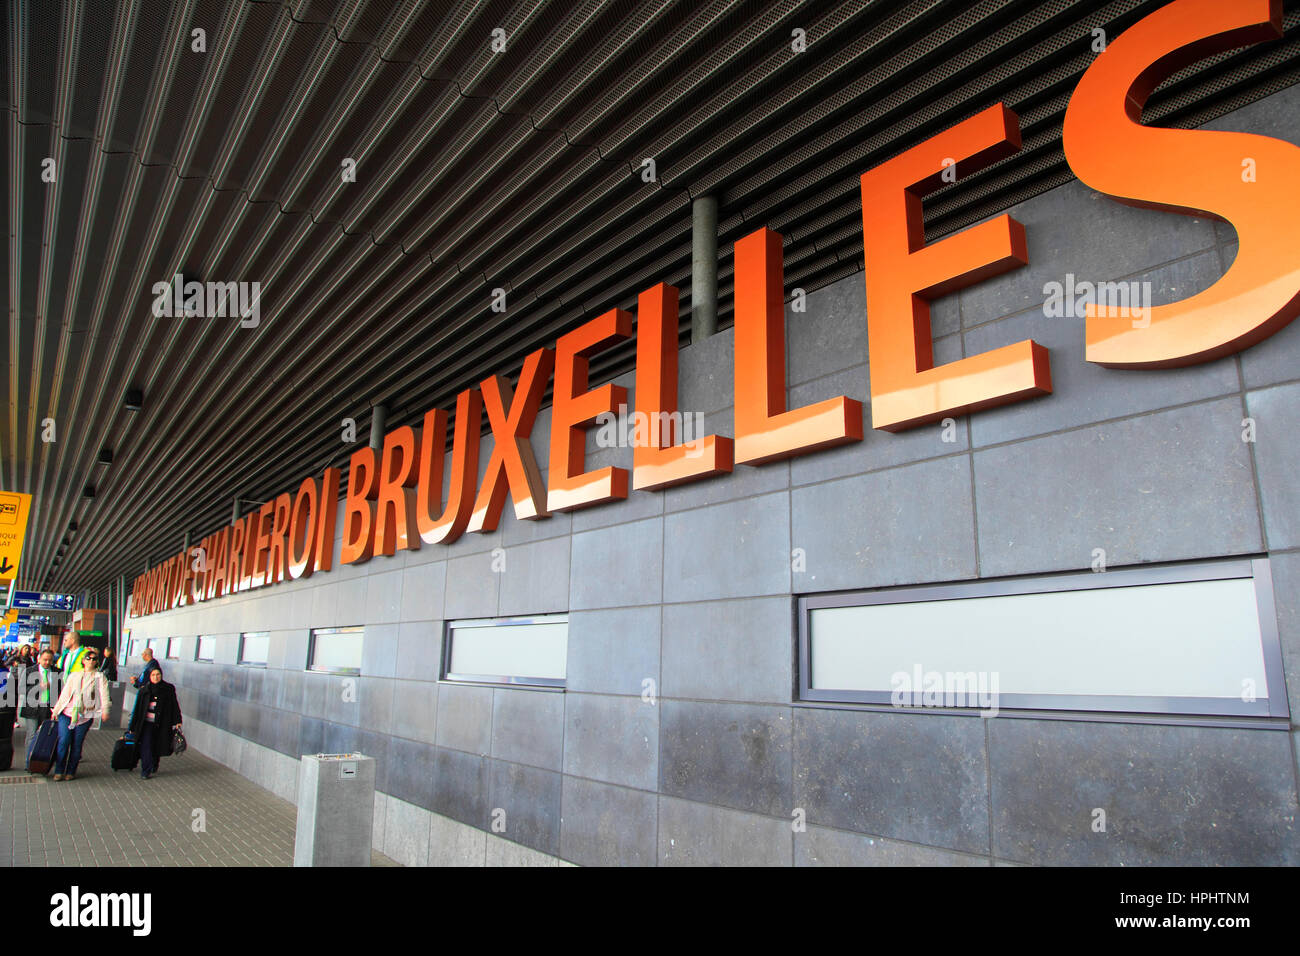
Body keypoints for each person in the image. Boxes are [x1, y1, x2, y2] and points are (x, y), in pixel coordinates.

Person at [50, 648, 110, 781]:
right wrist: (56, 710)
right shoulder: (74, 675)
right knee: (64, 741)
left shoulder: (100, 677)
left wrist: (105, 711)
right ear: (83, 661)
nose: (91, 661)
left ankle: (71, 771)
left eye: (94, 659)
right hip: (67, 713)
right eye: (88, 658)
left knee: (76, 744)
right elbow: (64, 694)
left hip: (85, 715)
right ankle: (59, 770)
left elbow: (104, 695)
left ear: (97, 662)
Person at [128, 666, 182, 780]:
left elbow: (174, 705)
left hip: (162, 723)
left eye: (158, 675)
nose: (156, 677)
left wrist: (177, 720)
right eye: (153, 675)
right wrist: (132, 726)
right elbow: (137, 709)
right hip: (146, 723)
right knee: (146, 745)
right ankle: (145, 770)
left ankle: (154, 764)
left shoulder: (168, 689)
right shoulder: (144, 690)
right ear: (149, 676)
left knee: (157, 745)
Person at [17, 648, 60, 756]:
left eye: (50, 660)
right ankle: (29, 760)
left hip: (48, 708)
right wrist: (38, 687)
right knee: (32, 734)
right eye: (45, 660)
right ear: (39, 659)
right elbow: (21, 689)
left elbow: (61, 691)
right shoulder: (29, 671)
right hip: (32, 707)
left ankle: (41, 760)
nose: (47, 663)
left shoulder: (57, 672)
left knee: (45, 734)